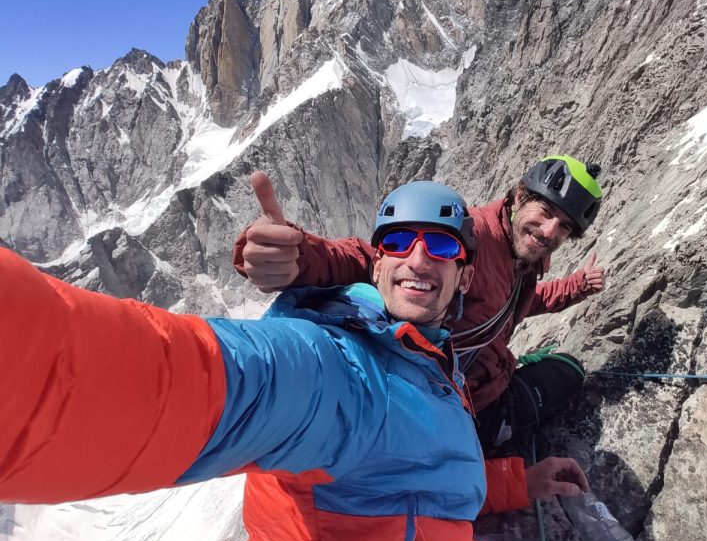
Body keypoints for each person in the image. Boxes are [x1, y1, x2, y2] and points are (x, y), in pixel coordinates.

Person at [0, 181, 589, 541]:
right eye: (397, 242)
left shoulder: (432, 363)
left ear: (462, 273)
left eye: (438, 245)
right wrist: (299, 257)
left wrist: (517, 482)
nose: (417, 258)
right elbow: (169, 380)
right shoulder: (339, 374)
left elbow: (419, 477)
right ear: (374, 260)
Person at [234, 155, 606, 451]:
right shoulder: (470, 234)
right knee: (568, 372)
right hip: (454, 406)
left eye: (564, 228)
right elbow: (373, 261)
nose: (550, 232)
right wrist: (299, 257)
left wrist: (576, 287)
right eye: (546, 213)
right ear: (520, 196)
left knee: (567, 369)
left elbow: (514, 305)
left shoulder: (524, 256)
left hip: (479, 388)